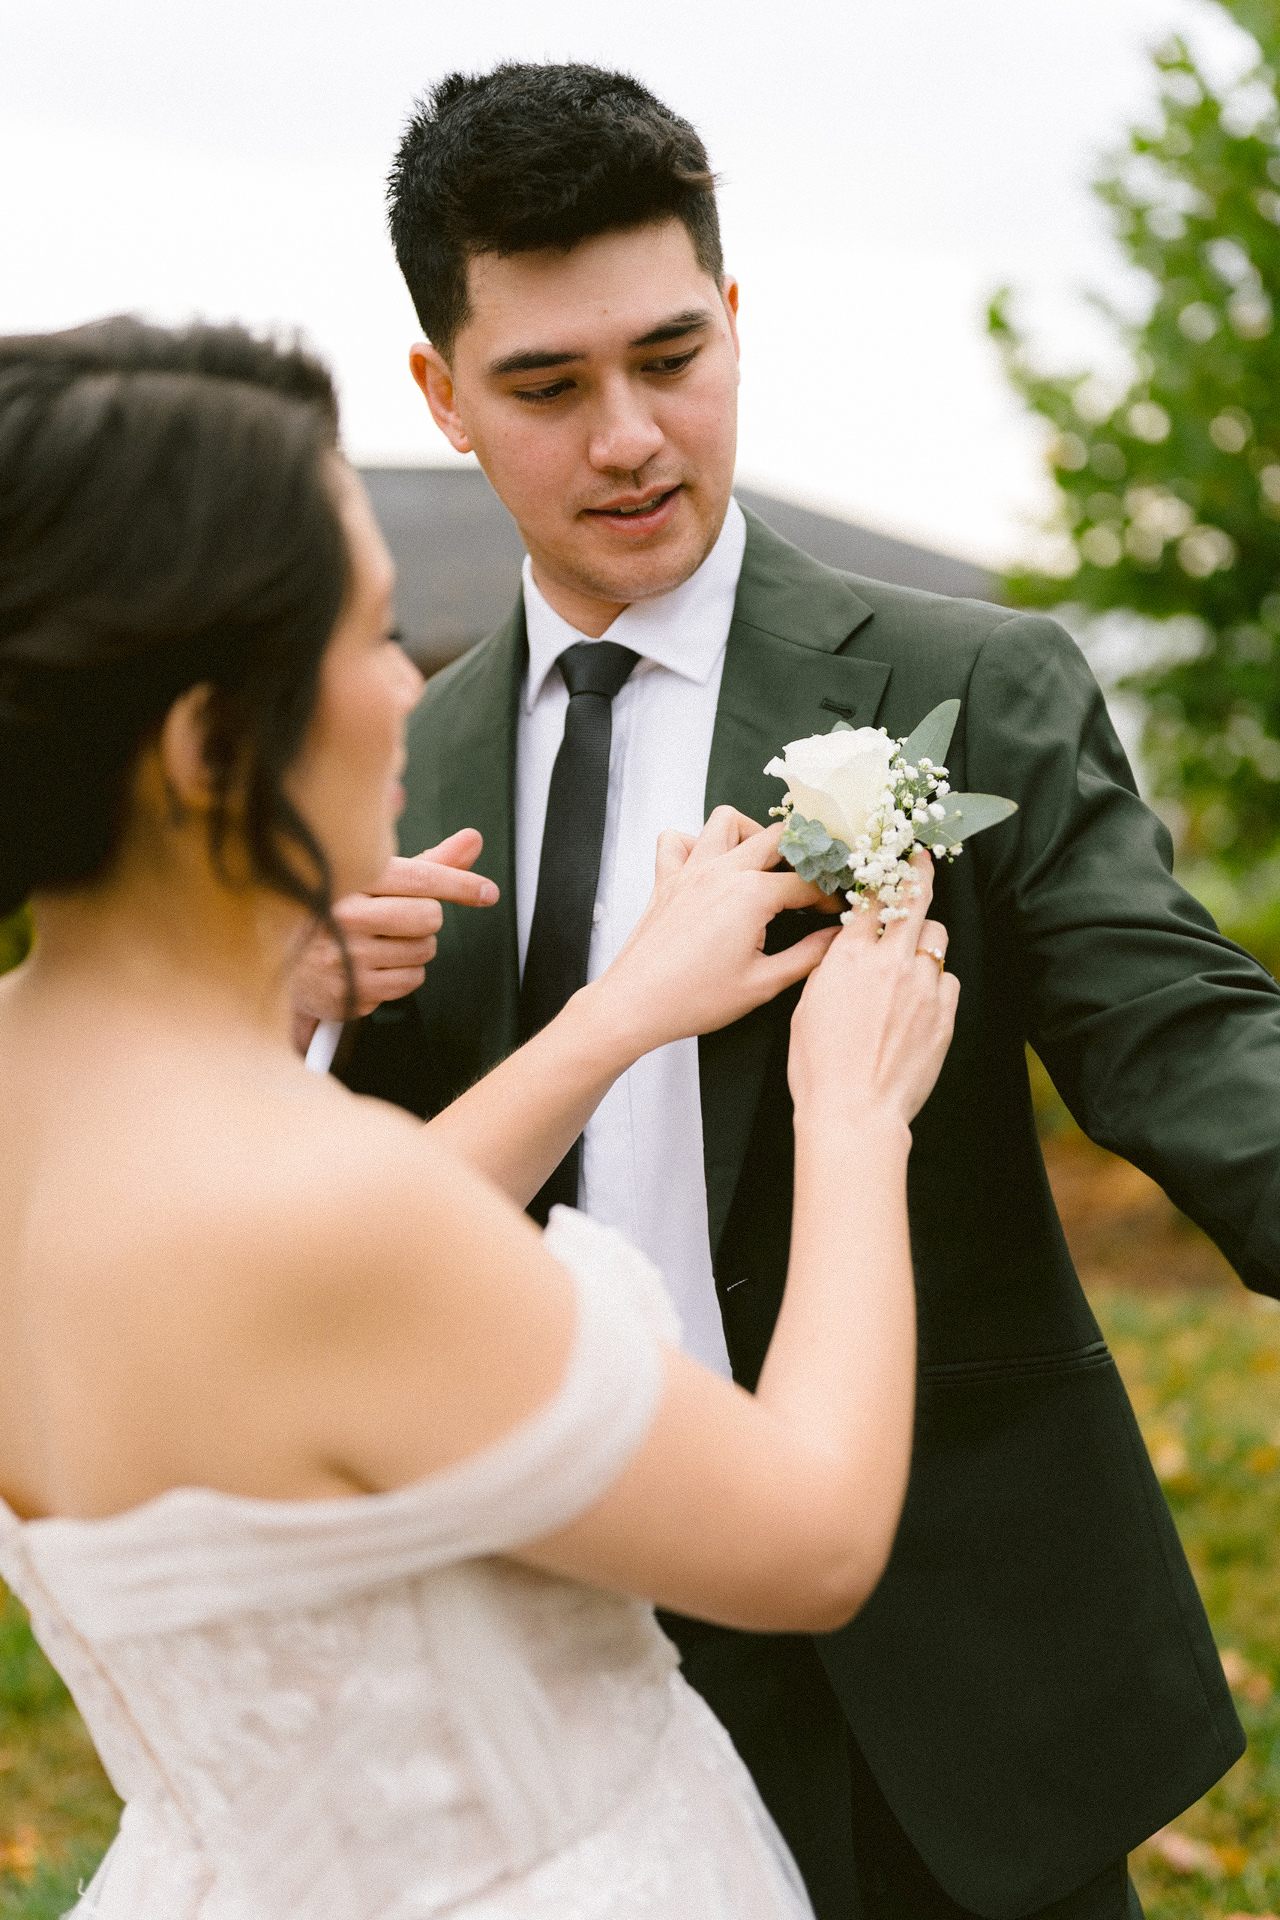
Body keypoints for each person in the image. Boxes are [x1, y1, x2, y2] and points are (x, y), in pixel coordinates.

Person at [304, 62, 1280, 1920]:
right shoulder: (388, 768)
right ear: (438, 393)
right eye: (546, 385)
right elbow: (328, 1226)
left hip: (934, 1646)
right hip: (540, 1662)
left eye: (673, 355)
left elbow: (1187, 1035)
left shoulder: (969, 679)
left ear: (735, 320)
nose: (630, 437)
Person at [0, 318, 958, 1918]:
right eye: (368, 635)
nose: (407, 686)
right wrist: (852, 1119)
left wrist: (607, 1014)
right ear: (207, 746)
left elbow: (298, 1306)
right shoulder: (321, 1212)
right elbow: (810, 1537)